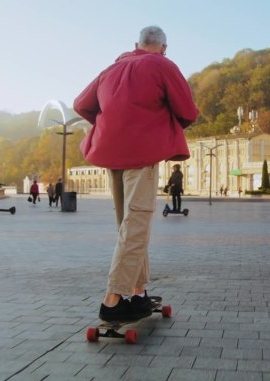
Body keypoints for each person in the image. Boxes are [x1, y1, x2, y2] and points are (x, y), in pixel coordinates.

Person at [74, 26, 198, 322]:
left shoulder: (111, 70)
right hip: (140, 155)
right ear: (164, 48)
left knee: (128, 225)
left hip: (110, 153)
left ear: (135, 45)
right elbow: (188, 112)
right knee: (137, 223)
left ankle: (139, 291)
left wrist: (112, 120)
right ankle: (113, 299)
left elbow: (81, 104)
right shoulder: (162, 65)